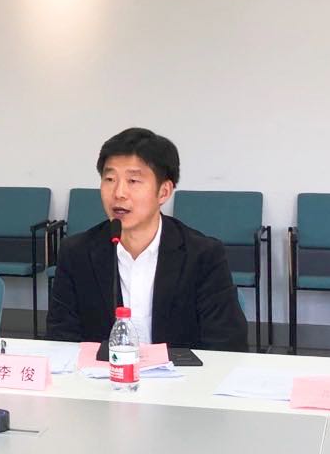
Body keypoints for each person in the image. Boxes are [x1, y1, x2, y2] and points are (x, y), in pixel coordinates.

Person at [46, 127, 247, 350]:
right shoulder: (77, 253)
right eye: (110, 179)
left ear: (164, 192)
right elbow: (61, 340)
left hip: (182, 372)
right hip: (101, 372)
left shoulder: (203, 255)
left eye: (133, 181)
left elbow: (227, 345)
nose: (119, 193)